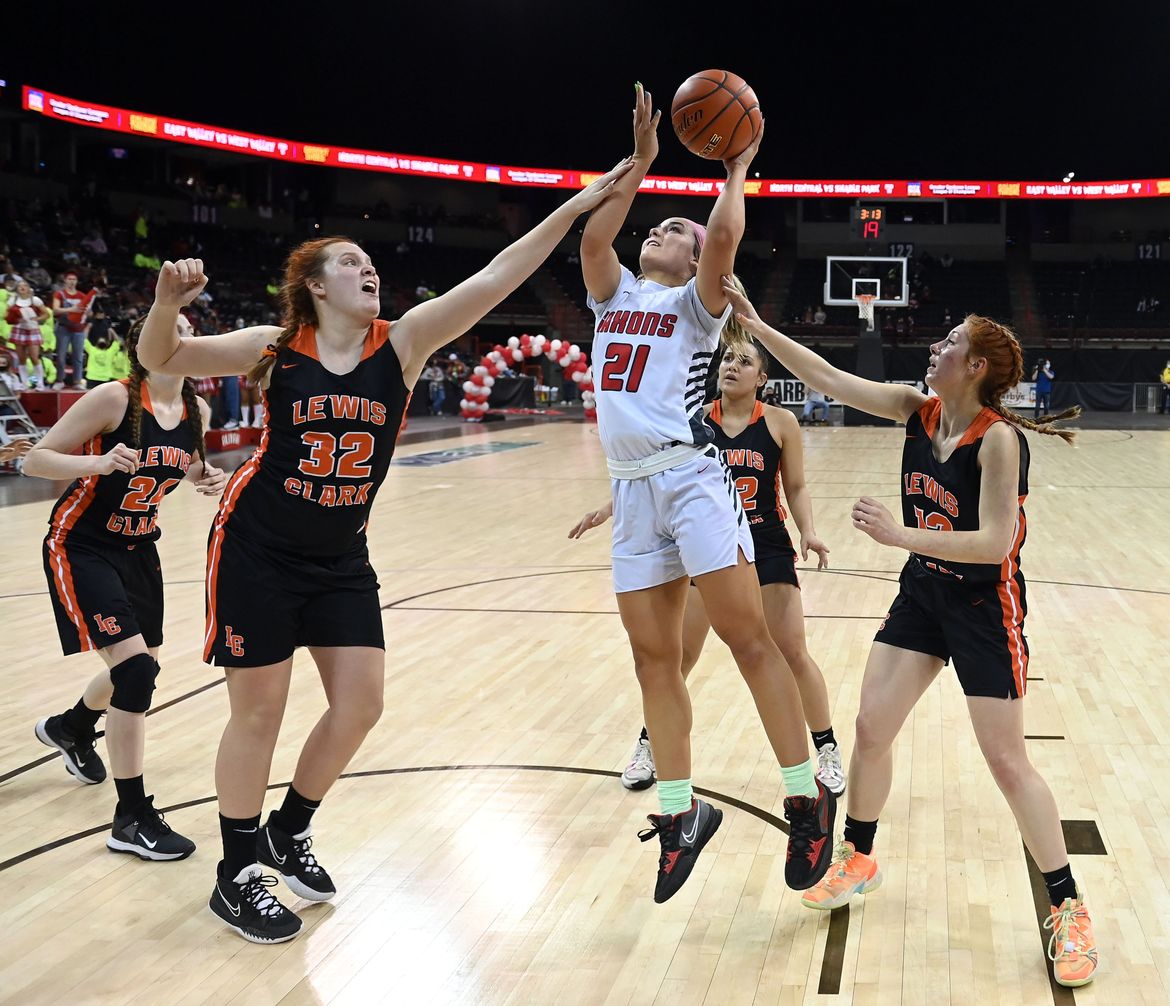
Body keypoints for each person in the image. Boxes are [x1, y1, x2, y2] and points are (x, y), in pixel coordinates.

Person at [136, 159, 633, 944]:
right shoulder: (274, 347)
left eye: (369, 263)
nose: (367, 268)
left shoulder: (402, 343)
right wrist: (166, 305)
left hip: (339, 556)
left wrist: (579, 203)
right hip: (257, 547)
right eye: (348, 262)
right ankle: (237, 874)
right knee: (258, 712)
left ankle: (288, 829)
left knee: (360, 704)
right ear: (315, 287)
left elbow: (503, 272)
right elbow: (164, 358)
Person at [720, 280, 1097, 989]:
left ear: (976, 367)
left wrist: (901, 534)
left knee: (1008, 763)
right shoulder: (913, 407)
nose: (936, 345)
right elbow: (828, 377)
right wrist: (756, 324)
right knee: (869, 728)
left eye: (950, 341)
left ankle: (1067, 904)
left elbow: (993, 543)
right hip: (924, 595)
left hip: (986, 609)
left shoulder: (1000, 441)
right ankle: (858, 855)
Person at [577, 82, 835, 906]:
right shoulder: (613, 294)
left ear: (695, 264)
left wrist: (736, 169)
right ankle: (681, 814)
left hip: (691, 482)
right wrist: (643, 166)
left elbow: (723, 237)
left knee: (744, 639)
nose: (660, 232)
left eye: (673, 231)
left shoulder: (696, 304)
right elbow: (592, 237)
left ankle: (804, 796)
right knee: (655, 659)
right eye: (655, 226)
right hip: (631, 490)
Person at [570, 332, 845, 799]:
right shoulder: (691, 420)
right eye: (726, 359)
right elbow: (657, 473)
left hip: (766, 543)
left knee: (790, 652)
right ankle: (651, 746)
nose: (730, 366)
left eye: (743, 361)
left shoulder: (780, 423)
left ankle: (827, 750)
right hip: (707, 545)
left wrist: (809, 530)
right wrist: (609, 506)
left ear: (762, 377)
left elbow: (795, 487)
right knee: (676, 656)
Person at [24, 316, 226, 861]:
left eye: (188, 329)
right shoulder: (113, 399)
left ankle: (72, 727)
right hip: (82, 543)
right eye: (170, 327)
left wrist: (206, 476)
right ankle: (131, 816)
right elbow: (34, 459)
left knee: (139, 666)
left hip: (141, 547)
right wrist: (97, 459)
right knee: (135, 671)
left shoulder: (196, 409)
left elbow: (182, 465)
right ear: (145, 342)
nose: (180, 335)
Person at [52, 272, 98, 390]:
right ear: (65, 281)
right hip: (63, 327)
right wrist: (71, 309)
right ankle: (60, 380)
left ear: (76, 282)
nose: (72, 281)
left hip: (78, 329)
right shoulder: (60, 294)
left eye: (74, 279)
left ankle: (77, 381)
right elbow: (55, 310)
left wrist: (89, 313)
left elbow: (90, 312)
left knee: (78, 356)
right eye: (69, 279)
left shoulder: (82, 295)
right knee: (61, 355)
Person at [5, 280, 49, 389]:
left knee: (34, 357)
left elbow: (46, 314)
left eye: (24, 285)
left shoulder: (34, 300)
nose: (22, 287)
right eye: (19, 286)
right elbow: (7, 315)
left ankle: (39, 383)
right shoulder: (13, 300)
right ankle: (24, 383)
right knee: (21, 358)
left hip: (32, 329)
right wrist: (15, 318)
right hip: (19, 329)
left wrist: (36, 318)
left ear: (29, 288)